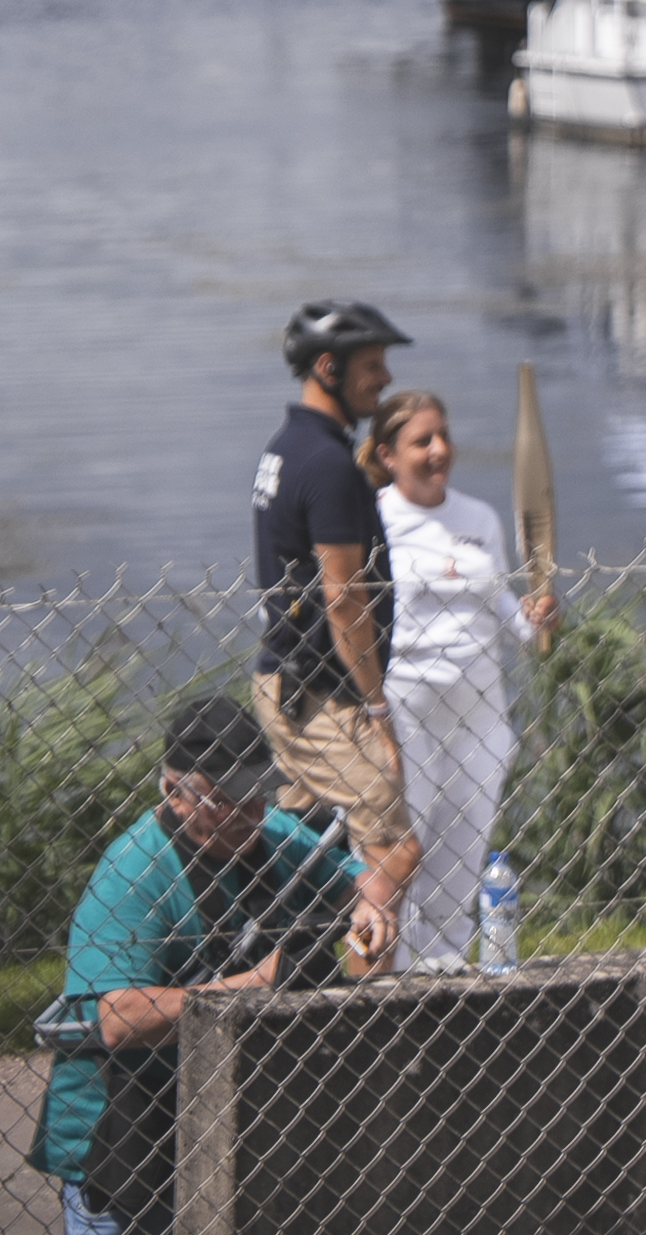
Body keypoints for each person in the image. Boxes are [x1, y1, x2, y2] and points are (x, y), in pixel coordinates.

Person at [35, 690, 364, 1235]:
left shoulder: (272, 833)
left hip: (231, 1125)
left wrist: (372, 912)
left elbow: (364, 879)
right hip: (122, 1135)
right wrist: (256, 983)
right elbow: (119, 1017)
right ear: (174, 793)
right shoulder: (133, 871)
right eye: (226, 799)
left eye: (259, 793)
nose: (250, 812)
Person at [248, 300, 420, 916]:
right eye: (372, 365)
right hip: (322, 697)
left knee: (310, 868)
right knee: (392, 852)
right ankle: (365, 1010)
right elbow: (345, 601)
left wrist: (360, 485)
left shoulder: (287, 448)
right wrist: (377, 706)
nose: (386, 378)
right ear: (328, 368)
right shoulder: (328, 465)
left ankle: (303, 988)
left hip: (284, 681)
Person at [373, 389, 556, 967]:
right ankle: (393, 975)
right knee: (407, 849)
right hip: (406, 709)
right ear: (387, 455)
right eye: (421, 440)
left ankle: (450, 969)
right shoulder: (371, 517)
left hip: (480, 712)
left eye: (442, 435)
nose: (439, 450)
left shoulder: (478, 517)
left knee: (464, 847)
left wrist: (537, 619)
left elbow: (501, 603)